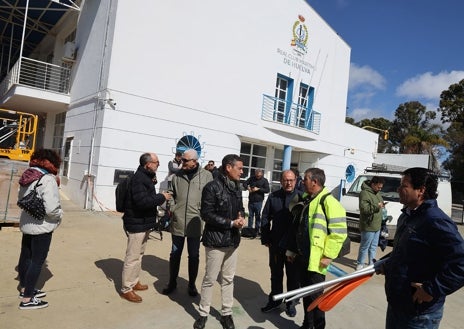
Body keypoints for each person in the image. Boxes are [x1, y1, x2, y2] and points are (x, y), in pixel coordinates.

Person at [374, 167, 464, 329]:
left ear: (420, 190)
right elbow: (405, 252)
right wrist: (388, 263)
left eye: (404, 186)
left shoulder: (435, 221)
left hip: (419, 315)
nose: (398, 189)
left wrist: (432, 289)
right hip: (398, 305)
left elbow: (461, 263)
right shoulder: (407, 216)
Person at [286, 168, 347, 329]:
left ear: (315, 182)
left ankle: (318, 326)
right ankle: (307, 324)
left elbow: (339, 233)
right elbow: (297, 228)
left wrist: (328, 255)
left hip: (317, 260)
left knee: (317, 299)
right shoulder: (307, 199)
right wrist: (292, 251)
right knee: (307, 295)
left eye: (305, 179)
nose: (302, 182)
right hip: (303, 257)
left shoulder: (329, 202)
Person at [193, 154, 245, 329]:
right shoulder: (212, 187)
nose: (242, 171)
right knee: (210, 278)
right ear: (228, 168)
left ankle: (226, 314)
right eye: (239, 168)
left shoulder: (237, 188)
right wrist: (230, 223)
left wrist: (241, 218)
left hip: (233, 241)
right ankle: (203, 314)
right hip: (215, 241)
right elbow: (206, 214)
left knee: (228, 279)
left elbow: (241, 209)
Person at [120, 152, 171, 303]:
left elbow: (146, 196)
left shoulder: (146, 177)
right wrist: (162, 197)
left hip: (143, 222)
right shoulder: (139, 179)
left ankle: (134, 281)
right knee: (132, 256)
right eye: (156, 162)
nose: (158, 164)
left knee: (139, 255)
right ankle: (126, 289)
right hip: (136, 223)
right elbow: (142, 202)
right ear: (148, 164)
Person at [162, 149, 213, 296]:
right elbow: (170, 194)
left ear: (194, 161)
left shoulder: (207, 176)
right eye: (182, 160)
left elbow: (210, 198)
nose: (182, 162)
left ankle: (191, 285)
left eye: (185, 160)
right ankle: (172, 283)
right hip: (178, 220)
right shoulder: (177, 176)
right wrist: (173, 207)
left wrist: (204, 213)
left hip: (196, 222)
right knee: (175, 253)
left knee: (194, 255)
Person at [17, 148, 63, 310]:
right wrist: (59, 215)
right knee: (37, 262)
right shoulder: (47, 179)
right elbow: (51, 209)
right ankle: (28, 299)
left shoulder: (27, 175)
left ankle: (24, 289)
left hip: (27, 224)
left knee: (25, 257)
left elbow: (21, 198)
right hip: (42, 226)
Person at [260, 170, 302, 317]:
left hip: (293, 247)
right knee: (276, 274)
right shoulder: (273, 197)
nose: (288, 183)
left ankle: (291, 302)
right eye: (285, 180)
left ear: (296, 180)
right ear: (280, 181)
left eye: (291, 180)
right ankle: (275, 300)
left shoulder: (302, 198)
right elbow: (265, 217)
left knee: (293, 276)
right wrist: (266, 238)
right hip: (276, 245)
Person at [356, 176, 386, 270]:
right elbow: (364, 209)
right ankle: (360, 264)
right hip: (368, 225)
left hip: (377, 225)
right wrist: (377, 207)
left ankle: (371, 263)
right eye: (378, 187)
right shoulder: (364, 193)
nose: (379, 189)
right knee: (365, 246)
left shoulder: (377, 193)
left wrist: (382, 207)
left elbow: (380, 204)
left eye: (381, 187)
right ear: (373, 184)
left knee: (373, 246)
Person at [242, 168, 270, 235]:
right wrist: (248, 187)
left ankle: (257, 230)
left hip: (259, 201)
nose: (257, 177)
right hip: (251, 200)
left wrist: (258, 189)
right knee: (250, 216)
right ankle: (250, 229)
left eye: (259, 176)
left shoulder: (264, 180)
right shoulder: (252, 178)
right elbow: (244, 183)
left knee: (257, 215)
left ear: (261, 174)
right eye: (256, 175)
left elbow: (267, 190)